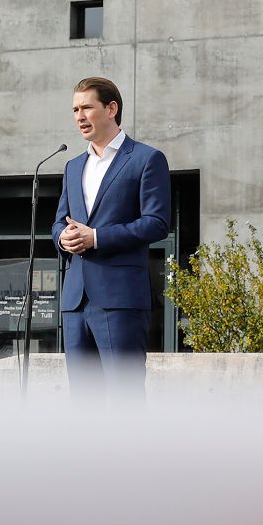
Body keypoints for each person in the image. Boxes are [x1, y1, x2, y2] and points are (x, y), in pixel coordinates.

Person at [51, 76, 171, 396]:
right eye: (75, 109)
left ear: (111, 109)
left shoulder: (146, 159)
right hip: (76, 302)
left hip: (120, 301)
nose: (79, 116)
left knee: (124, 398)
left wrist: (98, 237)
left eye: (87, 107)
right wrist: (63, 238)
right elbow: (58, 223)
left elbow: (157, 222)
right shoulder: (73, 166)